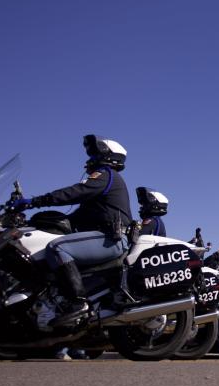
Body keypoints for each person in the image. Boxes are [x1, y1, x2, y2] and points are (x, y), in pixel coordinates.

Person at [15, 134, 132, 327]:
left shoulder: (106, 174)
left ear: (108, 156)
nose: (90, 159)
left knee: (57, 248)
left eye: (94, 154)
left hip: (111, 239)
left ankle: (78, 302)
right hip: (107, 237)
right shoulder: (100, 192)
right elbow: (74, 217)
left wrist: (35, 201)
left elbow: (74, 192)